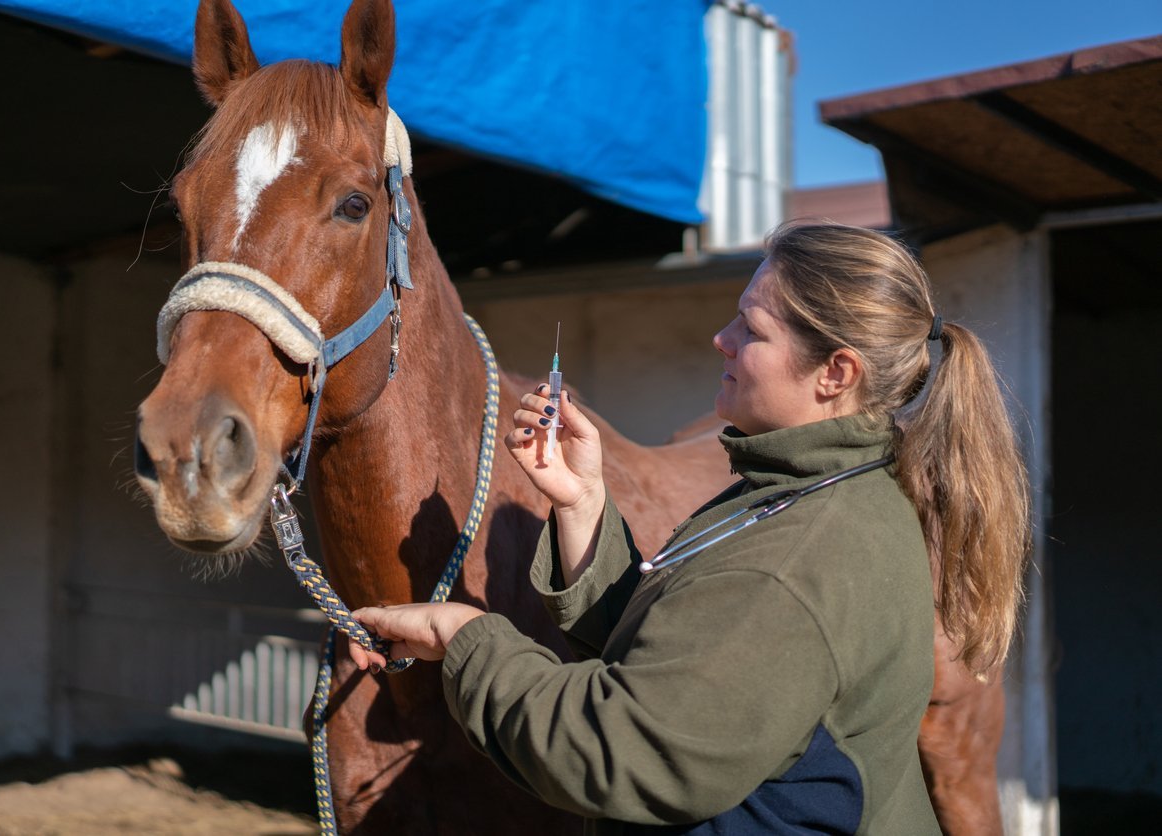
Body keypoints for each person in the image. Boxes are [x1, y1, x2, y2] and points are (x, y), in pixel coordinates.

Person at [348, 222, 1031, 834]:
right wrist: (582, 501)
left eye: (751, 330)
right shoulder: (808, 491)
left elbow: (625, 752)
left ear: (836, 373)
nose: (721, 339)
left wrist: (465, 637)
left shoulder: (798, 555)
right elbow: (689, 652)